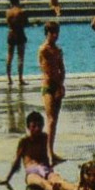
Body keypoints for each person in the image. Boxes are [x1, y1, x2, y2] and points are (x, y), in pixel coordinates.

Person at [0, 111, 73, 190]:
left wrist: (59, 160)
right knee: (41, 182)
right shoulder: (24, 142)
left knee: (58, 179)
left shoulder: (45, 138)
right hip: (31, 172)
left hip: (46, 169)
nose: (37, 129)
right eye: (34, 126)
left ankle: (75, 189)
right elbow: (16, 162)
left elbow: (51, 154)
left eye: (39, 126)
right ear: (28, 127)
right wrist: (7, 179)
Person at [37, 22, 67, 163]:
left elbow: (62, 68)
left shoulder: (58, 50)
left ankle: (51, 151)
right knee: (51, 119)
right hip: (48, 87)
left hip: (57, 86)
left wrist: (61, 85)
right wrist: (58, 85)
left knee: (54, 121)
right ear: (47, 33)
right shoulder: (43, 49)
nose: (55, 35)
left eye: (57, 32)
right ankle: (47, 152)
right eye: (52, 32)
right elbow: (47, 71)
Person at [4, 0, 30, 85]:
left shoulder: (8, 12)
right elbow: (26, 23)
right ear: (18, 1)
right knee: (20, 57)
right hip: (20, 33)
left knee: (9, 56)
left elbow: (8, 23)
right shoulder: (21, 12)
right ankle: (20, 79)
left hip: (11, 33)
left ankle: (9, 79)